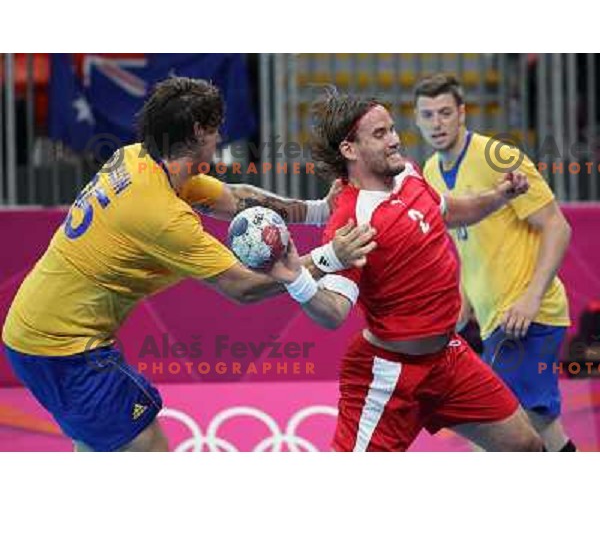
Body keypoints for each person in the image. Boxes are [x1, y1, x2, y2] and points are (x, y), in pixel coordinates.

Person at [1, 77, 374, 452]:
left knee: (101, 446)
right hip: (64, 348)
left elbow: (236, 198)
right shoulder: (161, 215)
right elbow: (242, 286)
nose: (220, 138)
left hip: (38, 331)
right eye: (216, 129)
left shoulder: (140, 159)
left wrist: (320, 211)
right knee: (145, 445)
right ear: (199, 131)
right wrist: (329, 258)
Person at [268, 87, 543, 452]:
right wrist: (297, 279)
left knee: (526, 447)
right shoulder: (353, 218)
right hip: (389, 374)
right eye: (380, 135)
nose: (395, 140)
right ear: (350, 150)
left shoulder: (409, 175)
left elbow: (449, 210)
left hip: (449, 358)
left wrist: (499, 197)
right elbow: (333, 312)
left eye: (393, 129)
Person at [415, 73, 574, 452]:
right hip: (492, 319)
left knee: (495, 431)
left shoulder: (496, 157)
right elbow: (463, 241)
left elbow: (558, 225)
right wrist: (463, 301)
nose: (437, 123)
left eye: (445, 113)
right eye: (428, 115)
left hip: (527, 315)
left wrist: (531, 298)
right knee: (540, 428)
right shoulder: (431, 173)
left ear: (462, 113)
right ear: (417, 120)